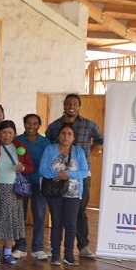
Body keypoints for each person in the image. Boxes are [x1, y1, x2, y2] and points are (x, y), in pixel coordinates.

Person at [44, 94, 104, 258]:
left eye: (75, 104)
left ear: (79, 106)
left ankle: (83, 246)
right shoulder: (54, 126)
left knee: (80, 211)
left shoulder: (89, 125)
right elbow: (49, 145)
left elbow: (100, 139)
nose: (71, 106)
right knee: (57, 214)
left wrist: (88, 155)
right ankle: (55, 247)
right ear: (64, 105)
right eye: (68, 103)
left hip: (80, 177)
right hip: (57, 177)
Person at [0, 120, 34, 265]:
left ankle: (8, 252)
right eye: (4, 132)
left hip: (14, 191)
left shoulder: (20, 146)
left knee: (10, 222)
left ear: (15, 133)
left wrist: (23, 168)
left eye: (10, 132)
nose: (7, 135)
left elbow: (30, 167)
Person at [39, 124, 89, 266]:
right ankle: (55, 254)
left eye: (69, 134)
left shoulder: (79, 152)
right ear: (59, 135)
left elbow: (84, 172)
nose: (66, 136)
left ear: (73, 137)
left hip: (73, 193)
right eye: (63, 133)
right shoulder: (50, 149)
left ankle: (69, 255)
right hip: (54, 192)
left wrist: (67, 175)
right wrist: (56, 174)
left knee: (71, 224)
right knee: (56, 223)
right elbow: (42, 170)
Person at [14, 114, 51, 260]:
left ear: (39, 125)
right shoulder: (17, 141)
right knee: (20, 216)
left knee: (39, 216)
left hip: (39, 183)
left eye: (35, 124)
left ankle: (38, 248)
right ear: (24, 124)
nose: (31, 126)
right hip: (21, 182)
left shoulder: (45, 142)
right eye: (28, 123)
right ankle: (20, 247)